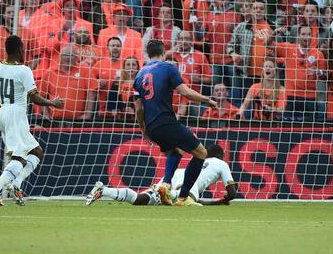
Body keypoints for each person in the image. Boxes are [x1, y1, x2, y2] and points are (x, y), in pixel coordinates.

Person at [0, 35, 63, 206]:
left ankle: (16, 184)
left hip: (3, 112)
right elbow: (35, 98)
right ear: (21, 48)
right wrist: (53, 103)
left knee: (36, 152)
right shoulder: (24, 71)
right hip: (16, 114)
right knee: (19, 158)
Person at [134, 39, 217, 206]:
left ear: (148, 53)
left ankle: (166, 184)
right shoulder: (168, 68)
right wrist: (206, 100)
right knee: (201, 153)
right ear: (164, 53)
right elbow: (185, 92)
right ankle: (183, 198)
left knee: (176, 150)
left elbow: (138, 109)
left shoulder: (139, 74)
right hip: (166, 122)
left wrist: (144, 130)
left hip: (152, 127)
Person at [85, 144, 237, 206]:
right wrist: (221, 201)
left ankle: (103, 190)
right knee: (186, 202)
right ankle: (171, 195)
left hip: (180, 173)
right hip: (191, 183)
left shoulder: (199, 160)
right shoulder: (222, 164)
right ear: (221, 156)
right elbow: (232, 193)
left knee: (140, 199)